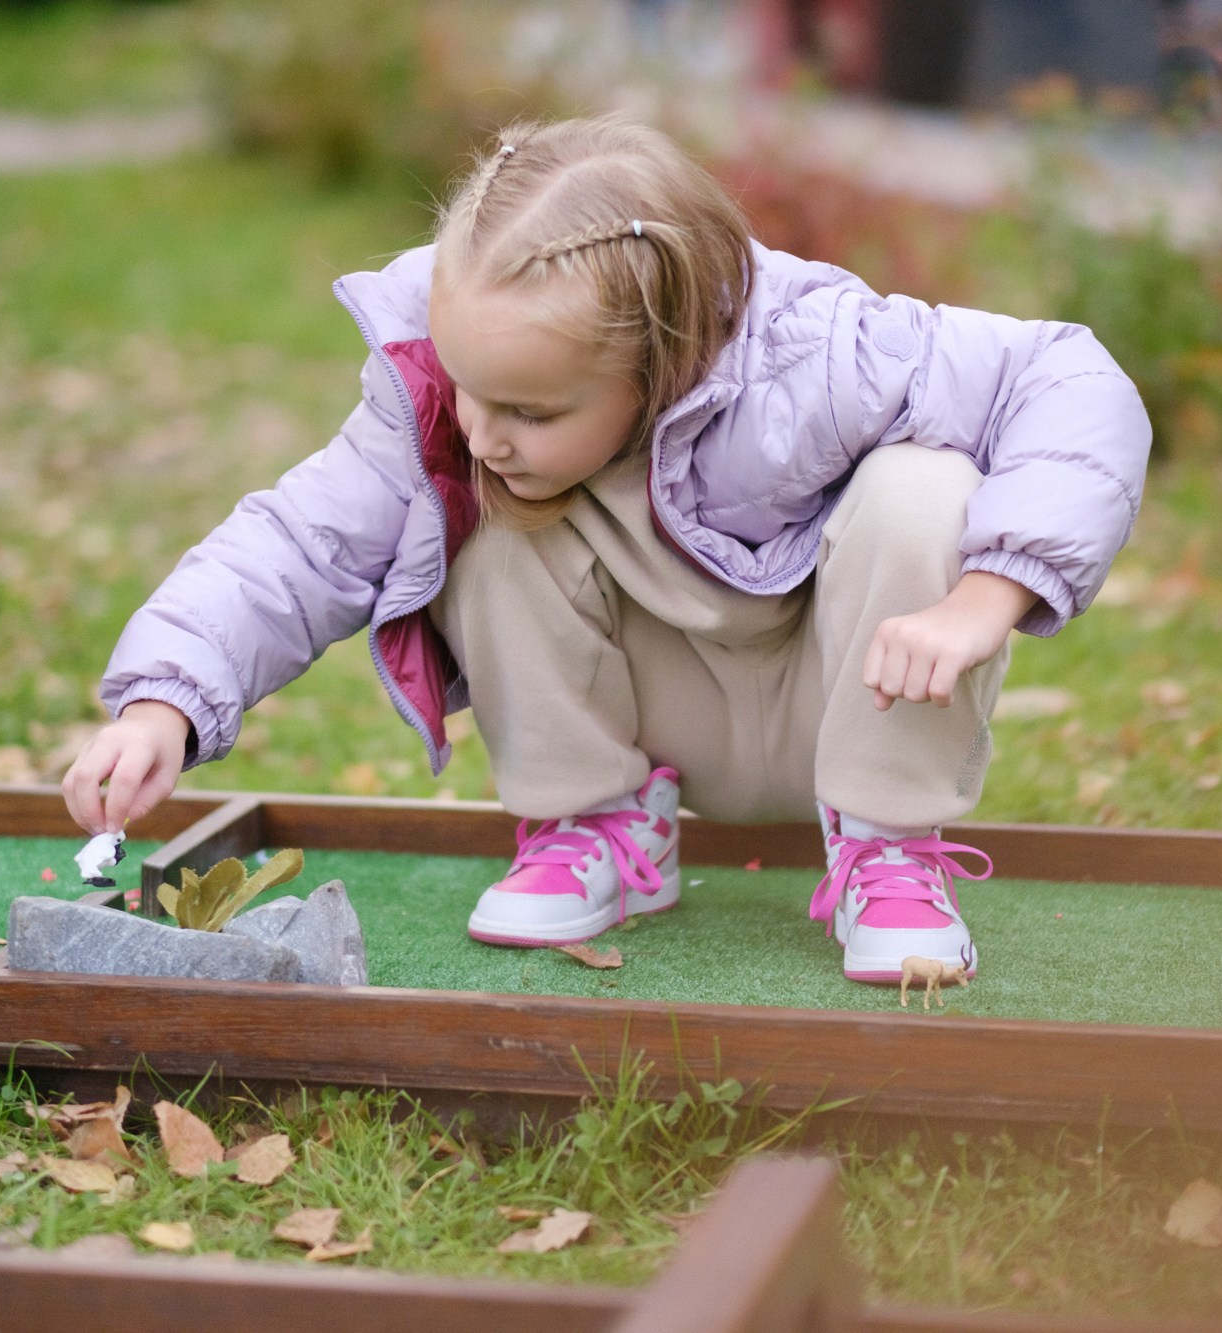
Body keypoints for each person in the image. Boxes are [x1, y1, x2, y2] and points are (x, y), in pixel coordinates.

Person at [62, 115, 1149, 983]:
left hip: (843, 699)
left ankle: (890, 849)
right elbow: (296, 542)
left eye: (530, 410)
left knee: (926, 489)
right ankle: (597, 831)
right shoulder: (463, 408)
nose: (483, 429)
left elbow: (1070, 378)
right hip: (650, 718)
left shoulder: (816, 352)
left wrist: (986, 594)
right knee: (475, 511)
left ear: (662, 360)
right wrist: (166, 702)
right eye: (469, 387)